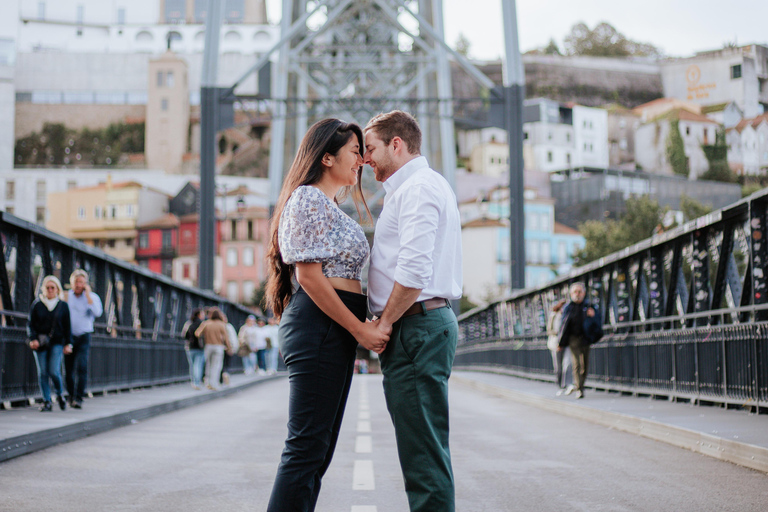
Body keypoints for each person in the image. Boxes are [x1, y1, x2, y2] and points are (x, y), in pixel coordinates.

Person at [264, 118, 389, 512]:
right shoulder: (307, 199)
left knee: (318, 452)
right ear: (327, 156)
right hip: (319, 325)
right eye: (356, 152)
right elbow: (309, 276)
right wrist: (359, 330)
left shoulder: (328, 204)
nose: (363, 161)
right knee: (305, 449)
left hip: (330, 329)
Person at [364, 110, 462, 512]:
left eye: (370, 148)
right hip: (418, 325)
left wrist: (383, 323)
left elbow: (415, 269)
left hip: (415, 327)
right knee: (422, 448)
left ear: (396, 144)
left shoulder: (417, 189)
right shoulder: (419, 186)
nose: (366, 158)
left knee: (423, 454)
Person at [27, 275, 72, 412]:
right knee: (42, 373)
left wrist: (68, 343)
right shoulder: (37, 304)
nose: (50, 290)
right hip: (40, 343)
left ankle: (59, 394)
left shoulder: (63, 306)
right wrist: (32, 338)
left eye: (53, 287)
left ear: (57, 289)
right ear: (43, 289)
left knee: (54, 370)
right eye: (48, 287)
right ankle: (47, 401)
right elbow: (30, 324)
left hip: (57, 342)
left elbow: (67, 326)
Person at [63, 269, 103, 408]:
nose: (78, 285)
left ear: (85, 283)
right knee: (68, 369)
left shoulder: (93, 297)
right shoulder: (66, 296)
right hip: (69, 336)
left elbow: (98, 312)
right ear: (71, 283)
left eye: (81, 282)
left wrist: (88, 296)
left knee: (82, 366)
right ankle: (71, 395)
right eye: (76, 282)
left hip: (84, 336)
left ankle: (79, 398)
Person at [557, 282, 600, 399]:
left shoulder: (590, 306)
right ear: (571, 294)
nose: (577, 294)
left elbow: (598, 322)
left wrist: (593, 316)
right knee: (576, 364)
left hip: (586, 338)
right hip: (573, 339)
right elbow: (563, 326)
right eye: (575, 292)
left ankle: (580, 384)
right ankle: (579, 389)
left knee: (584, 365)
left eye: (580, 292)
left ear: (584, 293)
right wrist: (560, 343)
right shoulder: (568, 308)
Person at [194, 308, 232, 391]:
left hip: (208, 346)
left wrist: (205, 336)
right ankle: (214, 383)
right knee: (216, 365)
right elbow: (226, 338)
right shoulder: (221, 324)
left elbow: (197, 333)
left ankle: (207, 382)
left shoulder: (206, 323)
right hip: (218, 346)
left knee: (208, 364)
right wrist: (229, 347)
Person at [546, 299, 571, 395]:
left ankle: (568, 384)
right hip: (556, 343)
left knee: (568, 364)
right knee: (558, 366)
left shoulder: (568, 316)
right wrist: (558, 334)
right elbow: (549, 330)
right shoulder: (554, 316)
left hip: (566, 343)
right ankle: (560, 385)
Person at [182, 308, 206, 389]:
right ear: (199, 315)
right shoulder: (202, 324)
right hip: (200, 347)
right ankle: (197, 382)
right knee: (198, 365)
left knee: (192, 365)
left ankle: (193, 381)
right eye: (202, 314)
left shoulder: (189, 323)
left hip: (190, 347)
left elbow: (184, 335)